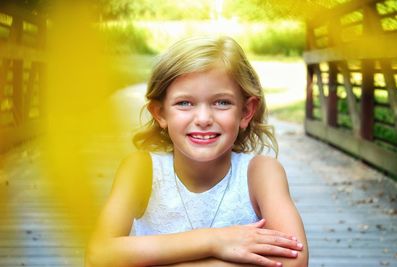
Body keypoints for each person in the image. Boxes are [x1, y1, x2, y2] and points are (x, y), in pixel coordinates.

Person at [85, 35, 308, 267]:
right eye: (185, 103)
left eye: (221, 102)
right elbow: (98, 255)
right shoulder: (141, 170)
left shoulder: (261, 172)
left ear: (245, 112)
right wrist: (214, 241)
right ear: (160, 113)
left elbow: (295, 260)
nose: (203, 119)